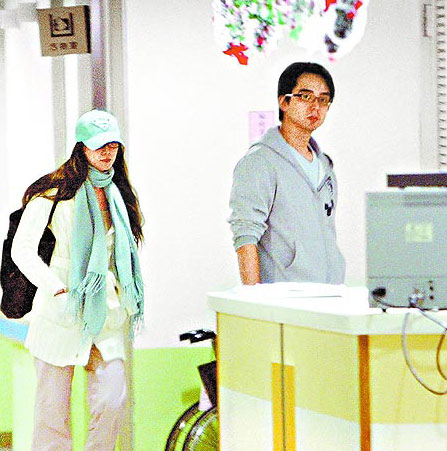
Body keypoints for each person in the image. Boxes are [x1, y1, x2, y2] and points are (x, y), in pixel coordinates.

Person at [11, 109, 144, 450]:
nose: (106, 152)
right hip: (61, 312)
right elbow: (21, 250)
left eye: (113, 145)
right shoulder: (54, 194)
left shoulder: (118, 195)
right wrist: (55, 287)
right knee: (52, 416)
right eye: (99, 145)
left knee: (113, 400)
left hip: (105, 315)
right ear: (81, 147)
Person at [229, 62, 345, 285]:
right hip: (285, 297)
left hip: (329, 293)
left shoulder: (325, 166)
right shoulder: (260, 162)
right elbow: (246, 234)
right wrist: (254, 298)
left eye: (323, 100)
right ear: (284, 102)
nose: (315, 107)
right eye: (305, 97)